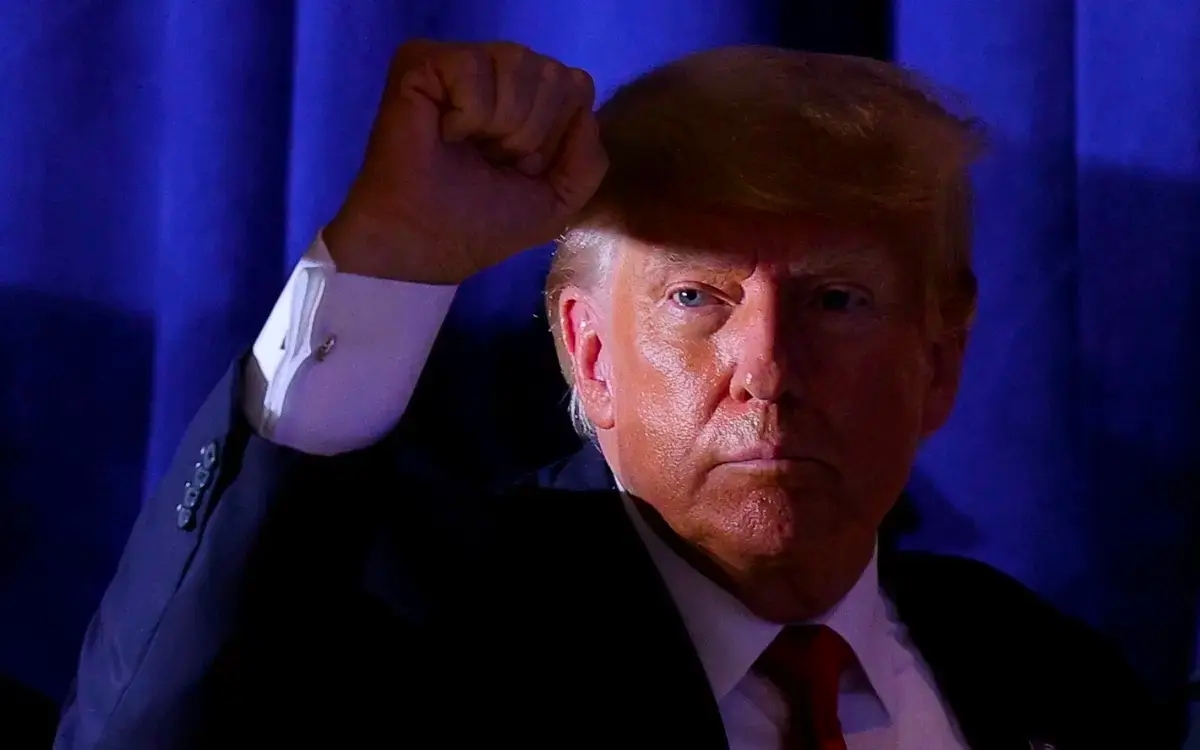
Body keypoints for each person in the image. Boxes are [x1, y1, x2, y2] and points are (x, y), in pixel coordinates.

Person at [55, 40, 1166, 750]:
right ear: (589, 356)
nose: (767, 368)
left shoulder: (1053, 677)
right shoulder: (419, 635)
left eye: (836, 300)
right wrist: (391, 259)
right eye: (696, 297)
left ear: (941, 357)